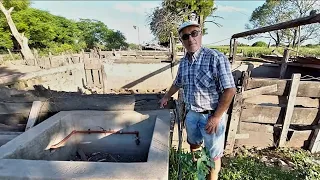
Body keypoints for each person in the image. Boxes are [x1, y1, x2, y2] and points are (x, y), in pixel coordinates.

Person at [159, 21, 236, 180]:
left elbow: (230, 90)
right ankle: (200, 173)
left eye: (194, 33)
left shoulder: (215, 58)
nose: (190, 39)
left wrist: (216, 117)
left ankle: (210, 177)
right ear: (181, 41)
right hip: (192, 114)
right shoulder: (184, 62)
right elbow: (178, 82)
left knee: (214, 156)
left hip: (211, 116)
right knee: (194, 145)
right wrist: (167, 96)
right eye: (185, 36)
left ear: (201, 34)